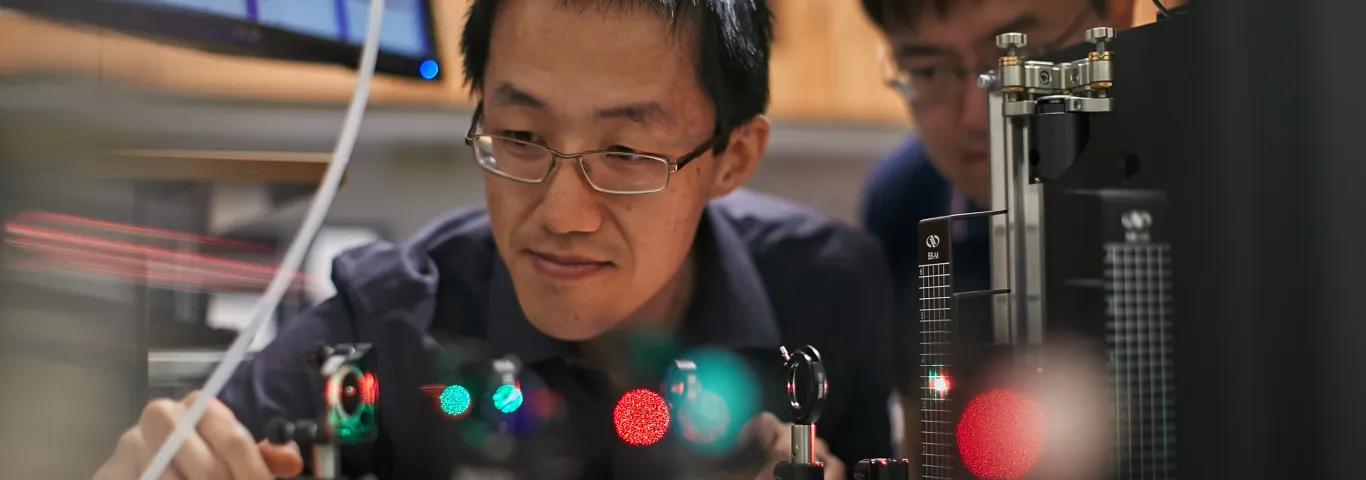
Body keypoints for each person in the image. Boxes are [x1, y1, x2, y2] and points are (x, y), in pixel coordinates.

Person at [93, 1, 897, 479]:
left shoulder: (829, 292)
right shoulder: (391, 328)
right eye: (519, 136)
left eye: (625, 153)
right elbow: (203, 450)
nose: (562, 213)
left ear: (731, 159)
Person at [857, 0, 1135, 459]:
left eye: (1020, 57)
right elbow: (927, 442)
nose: (977, 114)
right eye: (928, 71)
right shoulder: (906, 203)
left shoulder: (1221, 181)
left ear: (1117, 13)